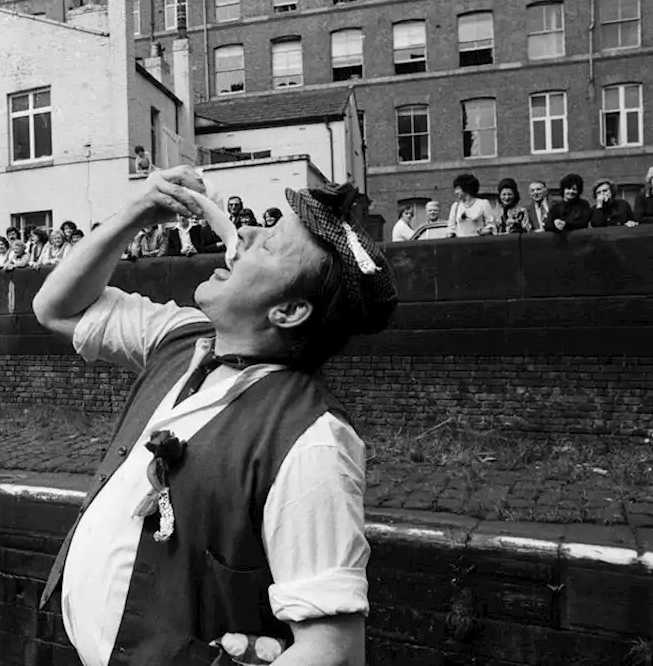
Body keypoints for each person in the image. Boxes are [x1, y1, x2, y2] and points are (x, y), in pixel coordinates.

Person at [32, 166, 395, 666]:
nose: (243, 231)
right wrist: (139, 212)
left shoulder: (313, 440)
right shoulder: (182, 335)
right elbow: (54, 308)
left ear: (288, 313)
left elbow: (333, 649)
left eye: (267, 246)